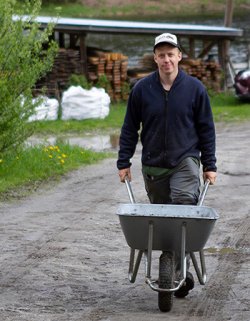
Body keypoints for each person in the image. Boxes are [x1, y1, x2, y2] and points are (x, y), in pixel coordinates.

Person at [117, 32, 217, 297]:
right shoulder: (141, 89)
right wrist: (123, 161)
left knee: (183, 207)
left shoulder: (195, 89)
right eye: (161, 55)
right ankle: (178, 267)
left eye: (170, 54)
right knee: (163, 223)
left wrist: (210, 165)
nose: (166, 59)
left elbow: (206, 129)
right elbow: (129, 128)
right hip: (153, 166)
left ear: (179, 56)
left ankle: (173, 265)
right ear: (155, 58)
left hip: (185, 160)